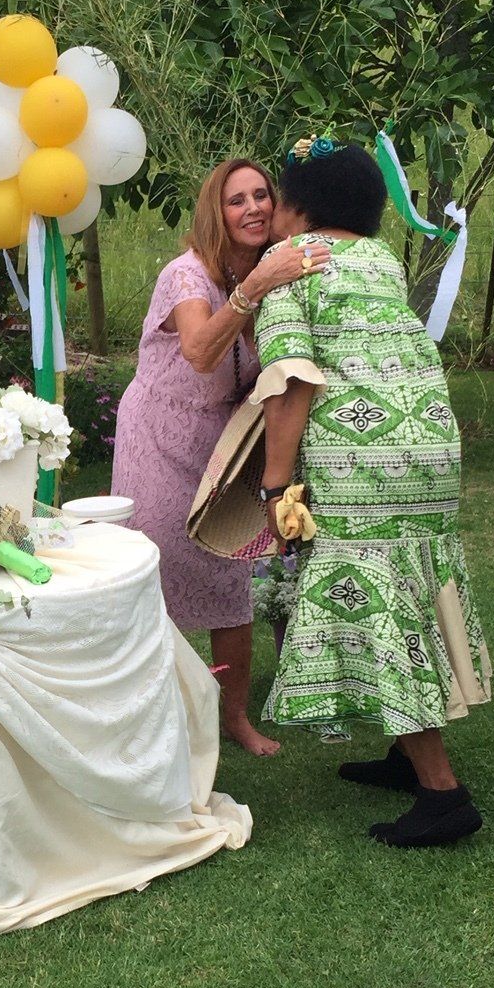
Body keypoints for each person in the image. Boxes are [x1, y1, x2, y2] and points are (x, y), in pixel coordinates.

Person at [252, 140, 491, 847]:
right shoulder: (382, 261)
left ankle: (442, 791)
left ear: (295, 210)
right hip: (427, 448)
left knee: (378, 603)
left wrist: (275, 482)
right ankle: (403, 756)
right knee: (413, 590)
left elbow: (292, 381)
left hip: (364, 460)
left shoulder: (291, 269)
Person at [112, 158, 329, 757]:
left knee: (230, 577)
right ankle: (149, 712)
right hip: (157, 437)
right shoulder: (186, 276)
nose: (254, 207)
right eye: (238, 200)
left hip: (222, 449)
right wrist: (255, 287)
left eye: (263, 195)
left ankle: (232, 715)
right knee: (152, 570)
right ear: (217, 212)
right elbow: (203, 352)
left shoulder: (275, 276)